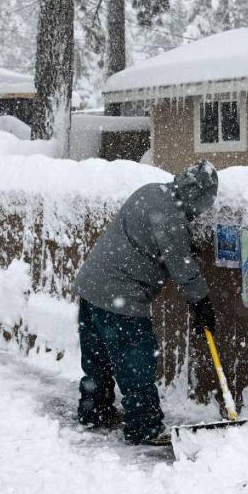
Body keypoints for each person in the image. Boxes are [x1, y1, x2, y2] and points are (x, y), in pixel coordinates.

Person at [71, 160, 219, 446]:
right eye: (204, 206)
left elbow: (152, 239)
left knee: (98, 361)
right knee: (136, 363)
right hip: (121, 299)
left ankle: (94, 412)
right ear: (198, 198)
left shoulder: (151, 191)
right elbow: (182, 267)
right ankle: (144, 427)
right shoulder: (172, 216)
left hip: (91, 288)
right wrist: (202, 304)